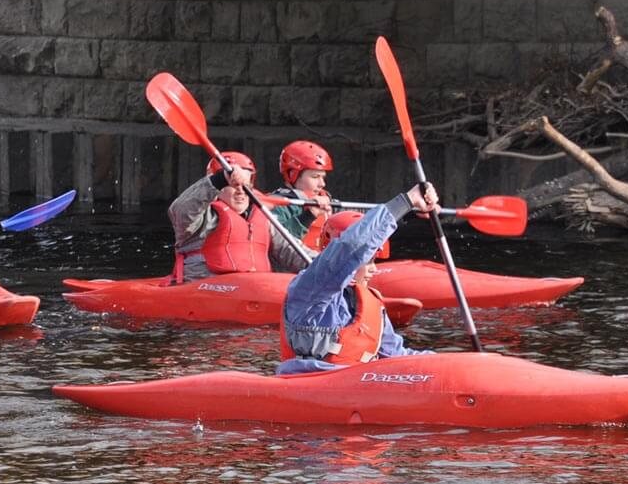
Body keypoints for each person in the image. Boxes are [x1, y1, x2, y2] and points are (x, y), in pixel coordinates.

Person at [277, 183, 439, 375]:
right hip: (310, 383)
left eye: (374, 261)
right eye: (368, 261)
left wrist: (448, 363)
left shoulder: (372, 303)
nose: (373, 269)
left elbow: (396, 357)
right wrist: (407, 201)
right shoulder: (309, 290)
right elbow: (352, 247)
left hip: (359, 385)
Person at [167, 150, 314, 284]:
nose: (241, 191)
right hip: (208, 288)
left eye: (246, 186)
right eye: (233, 185)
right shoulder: (202, 217)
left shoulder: (263, 219)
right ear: (218, 187)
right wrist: (219, 179)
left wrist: (325, 264)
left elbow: (291, 251)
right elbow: (180, 210)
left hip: (254, 289)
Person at [270, 140, 335, 248]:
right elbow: (276, 244)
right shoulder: (276, 205)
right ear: (292, 174)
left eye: (323, 177)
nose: (322, 184)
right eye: (315, 177)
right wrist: (309, 215)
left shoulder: (331, 204)